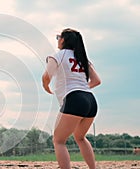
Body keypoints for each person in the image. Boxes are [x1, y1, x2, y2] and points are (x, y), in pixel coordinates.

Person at [42, 28, 101, 169]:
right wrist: (82, 89)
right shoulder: (82, 57)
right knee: (80, 137)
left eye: (58, 37)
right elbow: (97, 80)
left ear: (63, 40)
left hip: (74, 99)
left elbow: (46, 76)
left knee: (58, 140)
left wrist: (46, 86)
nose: (58, 40)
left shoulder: (57, 56)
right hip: (90, 100)